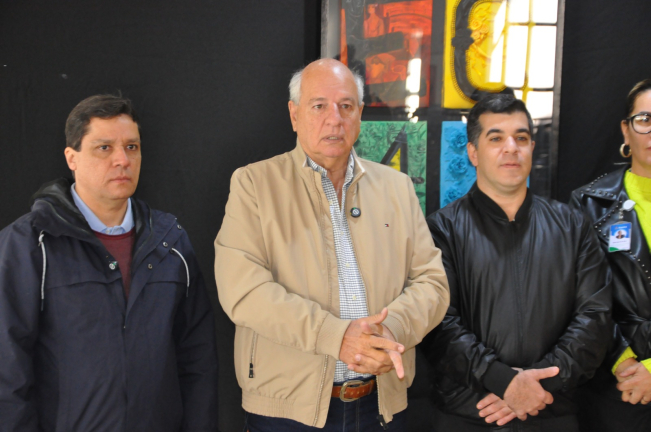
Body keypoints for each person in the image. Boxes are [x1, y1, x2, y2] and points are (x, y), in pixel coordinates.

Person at [214, 58, 449, 431]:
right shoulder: (254, 184)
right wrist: (336, 338)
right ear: (294, 115)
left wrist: (393, 330)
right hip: (287, 412)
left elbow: (432, 282)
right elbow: (242, 290)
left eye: (346, 106)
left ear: (360, 115)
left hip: (381, 405)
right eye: (319, 106)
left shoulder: (397, 187)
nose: (334, 119)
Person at [0, 94, 219, 431]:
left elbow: (198, 361)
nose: (122, 160)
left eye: (132, 147)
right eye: (104, 148)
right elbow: (7, 369)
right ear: (71, 158)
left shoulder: (171, 243)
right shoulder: (29, 244)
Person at [424, 94, 613, 431]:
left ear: (532, 148)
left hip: (552, 409)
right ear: (473, 153)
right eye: (496, 138)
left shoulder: (572, 225)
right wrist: (502, 381)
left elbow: (595, 317)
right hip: (470, 412)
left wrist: (535, 385)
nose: (511, 148)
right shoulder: (442, 229)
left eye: (521, 138)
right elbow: (438, 324)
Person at [570, 79, 651, 431]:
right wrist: (625, 362)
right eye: (645, 119)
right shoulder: (589, 203)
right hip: (618, 385)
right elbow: (582, 298)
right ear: (626, 129)